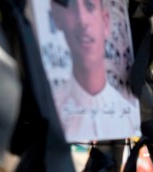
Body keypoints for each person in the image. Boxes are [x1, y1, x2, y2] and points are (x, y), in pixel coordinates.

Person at [50, 0, 140, 143]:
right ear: (59, 20)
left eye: (90, 7)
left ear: (105, 22)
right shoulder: (51, 111)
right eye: (72, 8)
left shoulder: (131, 117)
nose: (83, 21)